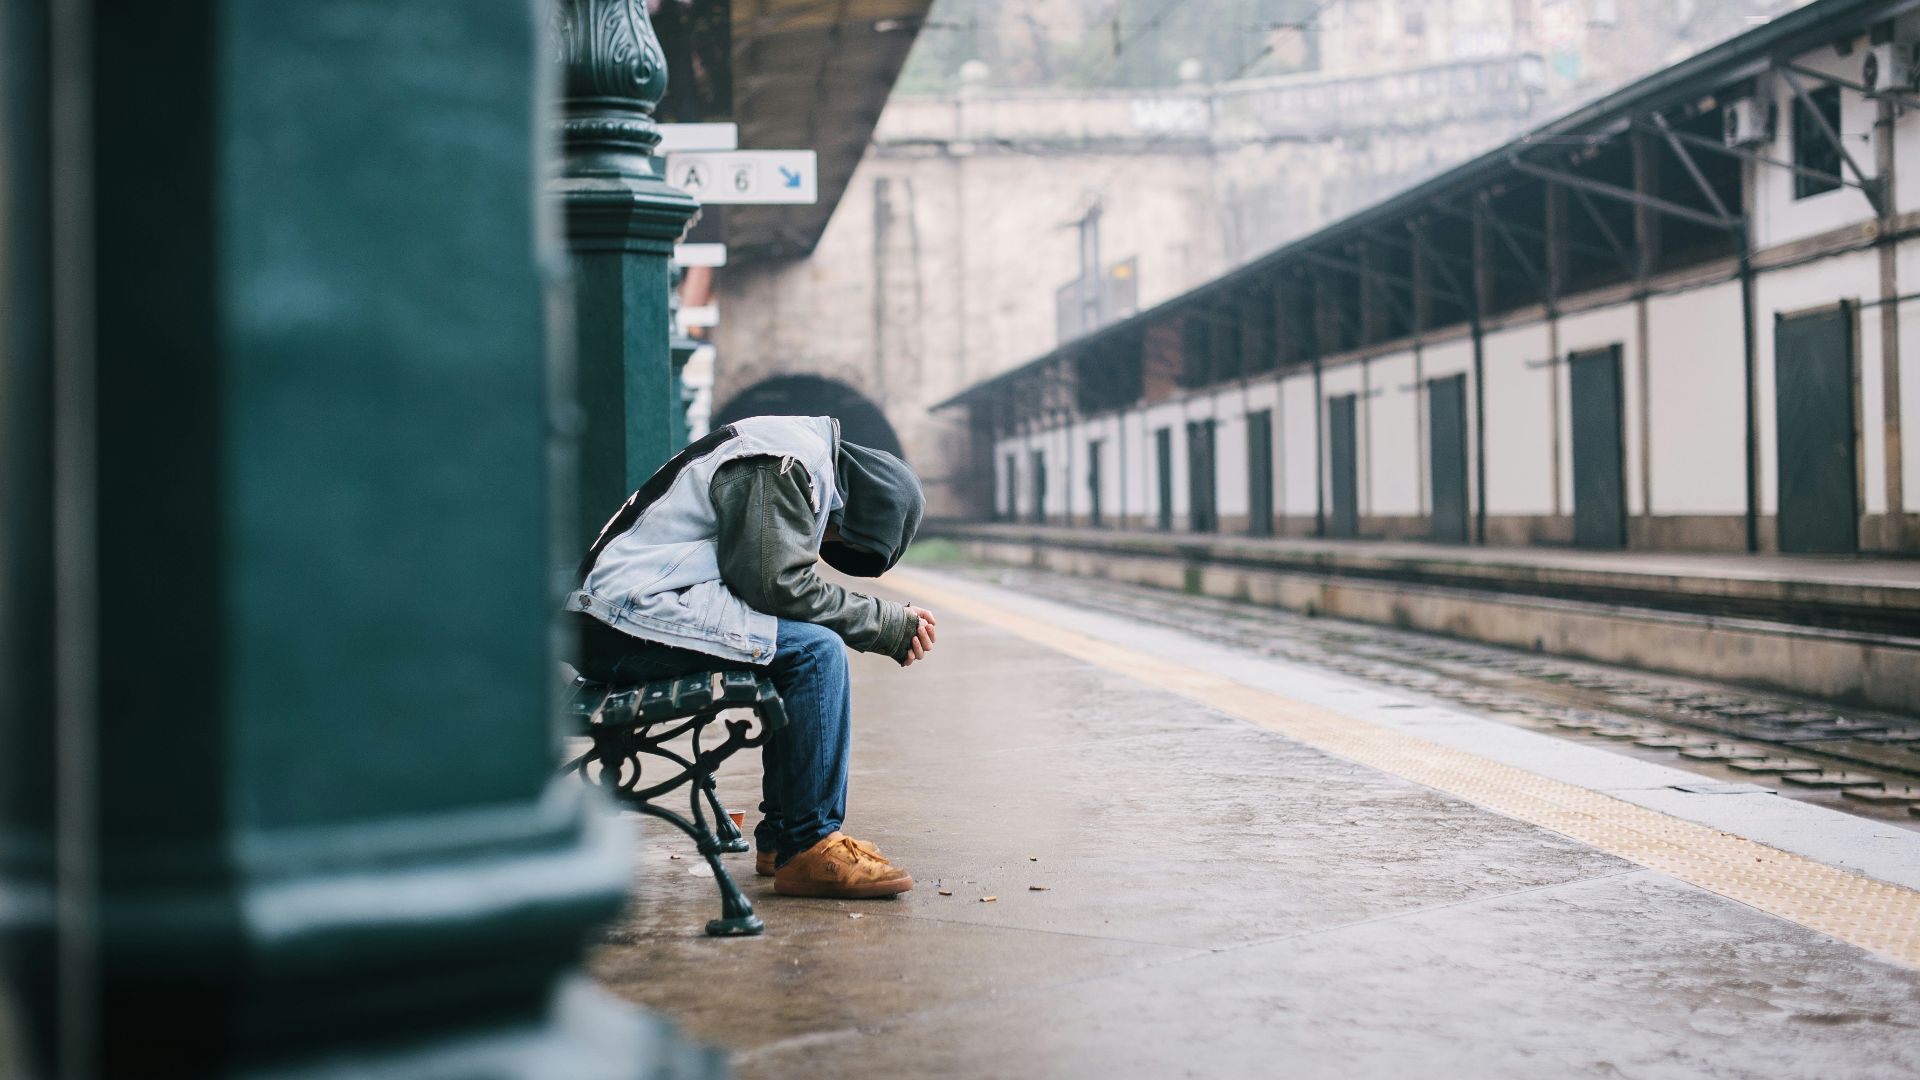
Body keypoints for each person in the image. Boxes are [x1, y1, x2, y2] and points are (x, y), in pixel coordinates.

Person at [568, 414, 937, 899]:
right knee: (815, 652)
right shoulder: (784, 461)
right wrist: (885, 624)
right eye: (837, 540)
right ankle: (809, 843)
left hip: (624, 614)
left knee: (801, 645)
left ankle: (786, 837)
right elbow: (774, 583)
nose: (824, 543)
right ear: (855, 511)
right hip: (622, 617)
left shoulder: (787, 451)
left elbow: (767, 581)